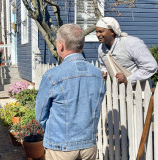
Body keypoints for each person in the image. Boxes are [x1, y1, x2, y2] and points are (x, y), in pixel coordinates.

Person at [35, 24, 106, 160]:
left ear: (61, 45)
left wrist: (53, 130)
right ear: (82, 45)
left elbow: (40, 114)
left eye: (56, 43)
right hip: (88, 144)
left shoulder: (52, 76)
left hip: (60, 146)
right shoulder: (97, 74)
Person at [96, 17, 157, 89]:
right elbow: (104, 65)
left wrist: (128, 80)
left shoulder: (131, 43)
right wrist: (104, 72)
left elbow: (150, 66)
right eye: (96, 32)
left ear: (112, 31)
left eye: (101, 31)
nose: (97, 35)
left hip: (140, 92)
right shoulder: (101, 48)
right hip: (118, 93)